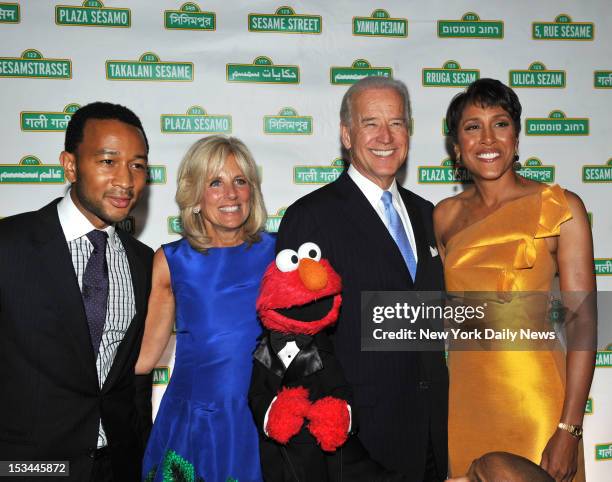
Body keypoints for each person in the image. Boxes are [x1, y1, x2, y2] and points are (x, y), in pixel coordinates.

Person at [276, 76, 448, 480]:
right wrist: (339, 430)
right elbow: (294, 337)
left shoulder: (430, 215)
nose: (386, 136)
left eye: (397, 123)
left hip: (433, 439)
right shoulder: (311, 216)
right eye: (371, 122)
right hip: (355, 444)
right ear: (346, 134)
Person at [434, 78, 596, 481]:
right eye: (472, 126)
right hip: (465, 401)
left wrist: (569, 429)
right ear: (457, 147)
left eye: (500, 123)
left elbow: (584, 323)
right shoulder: (443, 216)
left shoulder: (560, 207)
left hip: (536, 400)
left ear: (517, 138)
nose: (487, 137)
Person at [0, 102, 154, 481]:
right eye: (108, 161)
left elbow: (131, 379)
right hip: (28, 466)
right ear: (70, 165)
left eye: (137, 165)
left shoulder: (143, 261)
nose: (126, 180)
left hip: (114, 465)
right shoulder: (9, 246)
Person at [136, 135, 274, 482]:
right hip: (195, 422)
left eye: (240, 181)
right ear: (195, 197)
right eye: (215, 182)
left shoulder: (280, 254)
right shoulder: (171, 261)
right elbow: (144, 358)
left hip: (264, 419)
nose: (231, 193)